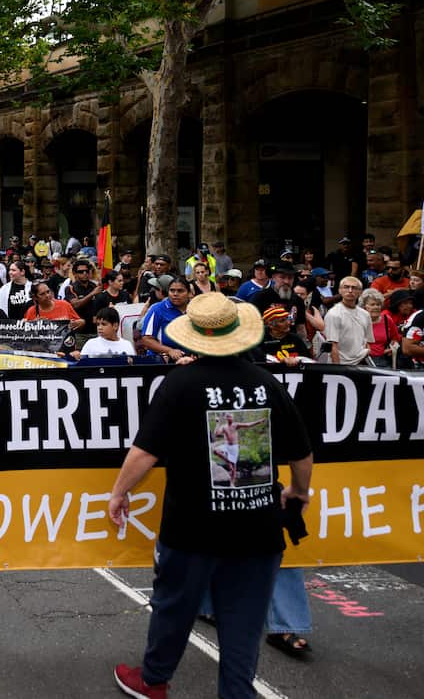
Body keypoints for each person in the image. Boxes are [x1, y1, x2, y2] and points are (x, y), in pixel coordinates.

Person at [108, 292, 312, 699]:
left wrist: (119, 493)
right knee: (245, 620)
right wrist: (298, 492)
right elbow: (302, 454)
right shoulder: (266, 382)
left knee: (173, 607)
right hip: (258, 527)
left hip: (191, 528)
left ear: (194, 337)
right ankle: (237, 693)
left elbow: (145, 452)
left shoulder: (180, 383)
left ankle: (153, 680)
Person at [137, 276, 192, 362]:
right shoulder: (157, 309)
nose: (175, 294)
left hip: (188, 361)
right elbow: (146, 339)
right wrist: (169, 351)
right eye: (172, 290)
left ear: (189, 293)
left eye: (180, 291)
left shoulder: (194, 311)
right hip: (160, 362)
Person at [323, 276, 373, 365]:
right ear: (339, 290)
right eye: (346, 287)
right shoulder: (333, 314)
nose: (350, 290)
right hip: (342, 364)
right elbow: (332, 345)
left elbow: (366, 341)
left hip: (362, 362)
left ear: (360, 292)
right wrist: (338, 370)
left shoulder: (365, 314)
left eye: (354, 288)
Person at [360, 289, 401, 368]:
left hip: (383, 360)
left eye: (378, 304)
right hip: (362, 360)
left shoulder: (386, 319)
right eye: (372, 304)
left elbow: (395, 338)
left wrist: (392, 348)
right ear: (364, 306)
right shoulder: (357, 320)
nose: (376, 307)